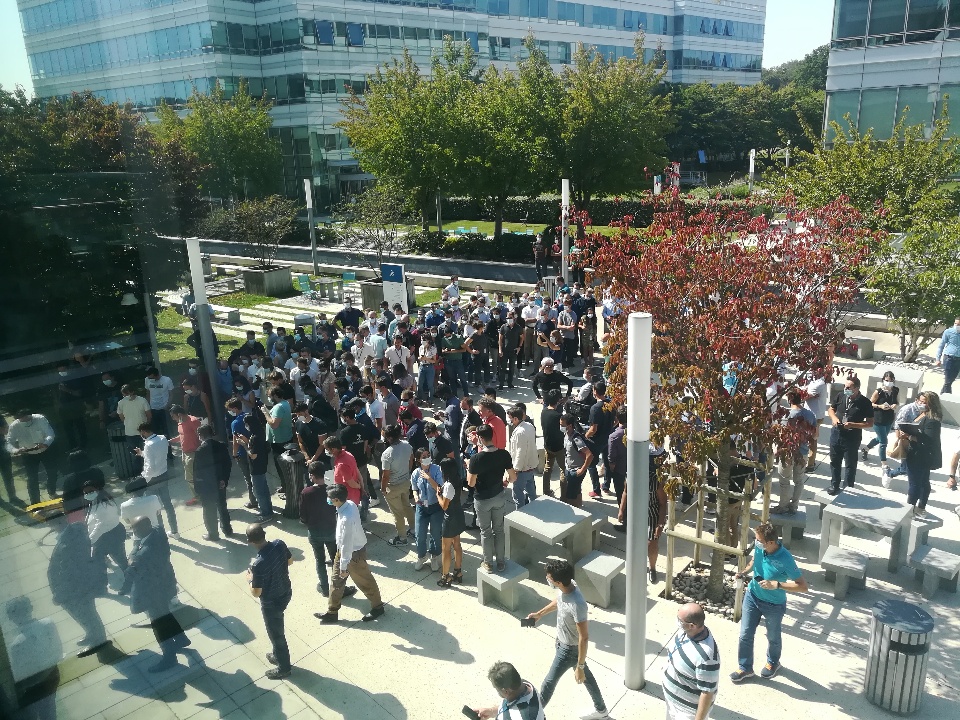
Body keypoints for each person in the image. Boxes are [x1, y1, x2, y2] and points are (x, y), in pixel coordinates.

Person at [525, 558, 609, 720]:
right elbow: (559, 601)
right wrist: (539, 614)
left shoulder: (577, 604)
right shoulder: (567, 587)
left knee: (548, 683)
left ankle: (532, 716)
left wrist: (580, 666)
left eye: (549, 578)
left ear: (558, 582)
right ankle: (601, 710)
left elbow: (584, 637)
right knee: (588, 679)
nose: (547, 579)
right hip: (561, 643)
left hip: (568, 650)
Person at [731, 522, 808, 683]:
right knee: (745, 634)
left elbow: (802, 586)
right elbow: (754, 561)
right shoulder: (761, 548)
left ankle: (773, 663)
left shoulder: (786, 559)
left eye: (759, 540)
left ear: (771, 542)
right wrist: (743, 572)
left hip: (774, 605)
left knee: (773, 637)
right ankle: (745, 668)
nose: (756, 542)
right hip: (752, 597)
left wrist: (777, 585)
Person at [119, 516, 188, 673]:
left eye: (135, 529)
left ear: (144, 528)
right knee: (165, 614)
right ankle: (181, 639)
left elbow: (131, 570)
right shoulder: (158, 532)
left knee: (159, 625)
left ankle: (169, 658)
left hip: (151, 592)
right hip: (164, 585)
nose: (134, 532)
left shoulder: (143, 554)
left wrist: (132, 557)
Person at [316, 484, 386, 623]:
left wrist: (343, 567)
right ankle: (332, 612)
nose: (328, 500)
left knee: (365, 582)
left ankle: (378, 607)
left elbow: (346, 545)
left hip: (353, 556)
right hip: (345, 553)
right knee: (336, 582)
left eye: (329, 498)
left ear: (336, 500)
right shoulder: (350, 504)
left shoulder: (346, 520)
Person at [48, 518, 108, 658]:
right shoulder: (76, 531)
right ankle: (92, 635)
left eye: (50, 524)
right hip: (80, 586)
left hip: (75, 590)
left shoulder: (68, 543)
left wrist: (59, 593)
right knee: (88, 615)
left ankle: (98, 643)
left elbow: (70, 572)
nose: (49, 527)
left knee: (87, 616)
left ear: (56, 523)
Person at [246, 523, 293, 679]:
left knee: (277, 635)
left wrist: (250, 579)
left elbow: (256, 592)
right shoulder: (279, 544)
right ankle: (277, 655)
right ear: (264, 534)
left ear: (250, 541)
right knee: (277, 630)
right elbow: (290, 561)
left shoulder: (258, 564)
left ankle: (284, 668)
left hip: (271, 603)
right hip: (285, 592)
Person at [301, 461, 355, 598]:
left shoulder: (306, 493)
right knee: (336, 562)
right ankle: (340, 588)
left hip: (314, 532)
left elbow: (303, 515)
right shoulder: (330, 491)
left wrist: (308, 523)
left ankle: (325, 588)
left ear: (312, 476)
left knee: (319, 560)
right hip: (331, 532)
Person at [468, 424, 516, 573]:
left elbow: (471, 483)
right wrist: (505, 481)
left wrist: (469, 467)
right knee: (499, 530)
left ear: (480, 438)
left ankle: (488, 563)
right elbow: (513, 477)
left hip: (482, 499)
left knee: (486, 532)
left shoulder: (476, 459)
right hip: (498, 496)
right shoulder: (504, 454)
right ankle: (501, 562)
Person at [7, 596, 63, 720]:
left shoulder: (17, 644)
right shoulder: (49, 623)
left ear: (11, 618)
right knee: (49, 708)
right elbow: (58, 651)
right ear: (31, 608)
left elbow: (19, 674)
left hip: (33, 686)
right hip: (53, 674)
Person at [663, 603, 720, 720]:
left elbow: (707, 693)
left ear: (692, 626)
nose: (677, 621)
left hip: (686, 713)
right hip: (672, 702)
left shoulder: (707, 658)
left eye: (680, 620)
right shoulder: (685, 632)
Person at [898, 390, 943, 516]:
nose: (920, 403)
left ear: (931, 404)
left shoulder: (932, 420)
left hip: (920, 455)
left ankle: (910, 511)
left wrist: (909, 436)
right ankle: (920, 508)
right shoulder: (923, 414)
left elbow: (928, 439)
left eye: (924, 402)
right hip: (919, 454)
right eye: (920, 401)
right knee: (923, 482)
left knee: (915, 484)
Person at [129, 422, 179, 537]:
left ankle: (160, 533)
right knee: (168, 505)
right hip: (164, 474)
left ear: (144, 431)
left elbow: (150, 466)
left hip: (152, 479)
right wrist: (142, 453)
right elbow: (158, 455)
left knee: (154, 508)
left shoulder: (148, 445)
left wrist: (144, 478)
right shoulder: (163, 439)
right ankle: (175, 531)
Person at [826, 376, 873, 495]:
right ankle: (834, 484)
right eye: (845, 387)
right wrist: (834, 418)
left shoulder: (865, 402)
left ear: (856, 389)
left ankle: (847, 489)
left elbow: (869, 423)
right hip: (836, 434)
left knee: (850, 465)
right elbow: (831, 409)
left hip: (852, 437)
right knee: (835, 461)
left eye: (848, 387)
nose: (845, 389)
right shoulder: (840, 396)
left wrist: (853, 425)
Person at [774, 391, 817, 515]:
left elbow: (781, 436)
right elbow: (815, 435)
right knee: (799, 480)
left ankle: (783, 506)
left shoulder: (785, 415)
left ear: (789, 400)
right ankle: (794, 506)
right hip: (803, 451)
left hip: (787, 452)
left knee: (784, 480)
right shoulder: (810, 415)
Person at [6, 410, 58, 505]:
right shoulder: (14, 426)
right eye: (22, 420)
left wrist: (45, 443)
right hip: (28, 454)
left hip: (45, 450)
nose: (25, 421)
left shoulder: (40, 419)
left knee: (52, 472)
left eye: (26, 418)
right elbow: (8, 442)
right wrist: (15, 450)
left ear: (30, 415)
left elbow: (50, 434)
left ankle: (52, 491)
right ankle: (35, 503)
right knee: (32, 478)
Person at [83, 477, 128, 578]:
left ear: (97, 489)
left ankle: (131, 579)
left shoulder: (103, 505)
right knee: (99, 560)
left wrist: (89, 540)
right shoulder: (95, 501)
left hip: (111, 537)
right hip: (103, 537)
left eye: (91, 491)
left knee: (120, 560)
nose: (88, 494)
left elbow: (100, 526)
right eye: (86, 493)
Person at [194, 425, 234, 540]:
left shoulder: (200, 450)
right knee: (222, 507)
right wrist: (224, 479)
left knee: (209, 510)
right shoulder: (221, 446)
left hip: (208, 486)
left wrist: (198, 488)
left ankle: (213, 534)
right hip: (221, 483)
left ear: (200, 435)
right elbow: (227, 464)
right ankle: (227, 529)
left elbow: (198, 472)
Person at [380, 424, 417, 546]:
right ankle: (413, 529)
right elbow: (411, 460)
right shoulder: (407, 445)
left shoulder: (387, 454)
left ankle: (402, 538)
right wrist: (407, 472)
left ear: (389, 438)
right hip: (405, 482)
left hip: (393, 486)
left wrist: (383, 489)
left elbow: (385, 476)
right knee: (407, 505)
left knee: (397, 513)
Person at [474, 660, 545, 720]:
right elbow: (512, 706)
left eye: (497, 689)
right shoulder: (525, 686)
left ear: (506, 691)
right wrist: (492, 711)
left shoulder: (514, 717)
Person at [411, 448, 444, 571]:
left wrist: (429, 478)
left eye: (428, 455)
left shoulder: (437, 469)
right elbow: (414, 488)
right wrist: (415, 496)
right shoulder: (415, 473)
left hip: (435, 506)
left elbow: (440, 488)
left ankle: (434, 556)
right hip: (422, 507)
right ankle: (422, 556)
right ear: (418, 460)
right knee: (419, 534)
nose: (427, 458)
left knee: (435, 534)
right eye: (423, 456)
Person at [861, 371, 899, 475]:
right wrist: (880, 406)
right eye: (887, 380)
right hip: (878, 419)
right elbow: (870, 403)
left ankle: (866, 448)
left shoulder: (895, 390)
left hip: (889, 419)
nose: (889, 382)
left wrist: (895, 405)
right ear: (883, 380)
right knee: (883, 442)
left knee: (880, 438)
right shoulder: (878, 392)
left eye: (891, 380)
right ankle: (884, 463)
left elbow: (896, 401)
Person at [435, 457, 466, 588]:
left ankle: (445, 576)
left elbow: (444, 506)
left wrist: (438, 495)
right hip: (459, 513)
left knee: (446, 548)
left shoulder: (448, 485)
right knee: (457, 544)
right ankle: (458, 571)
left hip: (450, 517)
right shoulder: (457, 479)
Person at [168, 405, 202, 505]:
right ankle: (198, 496)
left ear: (179, 414)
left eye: (173, 416)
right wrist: (170, 441)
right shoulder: (180, 422)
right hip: (185, 453)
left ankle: (198, 497)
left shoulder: (193, 421)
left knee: (191, 477)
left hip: (193, 453)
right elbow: (182, 435)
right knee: (190, 477)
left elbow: (201, 436)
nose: (173, 419)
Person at [507, 406, 538, 510]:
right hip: (530, 466)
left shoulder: (520, 432)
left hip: (522, 469)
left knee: (518, 494)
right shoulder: (529, 426)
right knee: (531, 492)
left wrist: (516, 470)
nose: (510, 421)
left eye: (510, 418)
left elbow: (520, 453)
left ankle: (520, 512)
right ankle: (535, 509)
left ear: (516, 418)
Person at [561, 413, 593, 508]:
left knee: (570, 497)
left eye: (562, 425)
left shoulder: (576, 439)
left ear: (570, 426)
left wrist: (582, 470)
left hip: (575, 472)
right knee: (577, 491)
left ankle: (575, 511)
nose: (561, 427)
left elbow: (589, 455)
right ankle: (579, 506)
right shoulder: (566, 434)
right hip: (569, 469)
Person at [801, 365, 829, 471]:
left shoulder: (820, 383)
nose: (812, 372)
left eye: (814, 370)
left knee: (812, 440)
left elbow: (804, 396)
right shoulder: (814, 381)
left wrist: (802, 393)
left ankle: (810, 464)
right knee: (809, 439)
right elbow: (803, 390)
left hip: (815, 416)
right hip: (810, 414)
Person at [540, 390, 566, 498]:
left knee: (547, 468)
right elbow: (564, 431)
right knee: (563, 470)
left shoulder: (544, 412)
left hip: (548, 445)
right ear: (558, 401)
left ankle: (546, 491)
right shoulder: (558, 416)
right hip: (559, 447)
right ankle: (564, 496)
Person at [607, 407, 627, 506]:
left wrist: (612, 468)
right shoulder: (637, 432)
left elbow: (611, 458)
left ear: (617, 418)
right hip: (634, 468)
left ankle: (623, 511)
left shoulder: (614, 436)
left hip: (619, 470)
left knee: (620, 492)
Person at [934, 316, 960, 393]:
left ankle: (942, 396)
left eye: (959, 324)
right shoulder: (948, 332)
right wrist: (938, 359)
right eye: (955, 323)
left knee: (950, 380)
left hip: (958, 360)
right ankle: (948, 397)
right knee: (948, 381)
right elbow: (941, 346)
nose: (957, 326)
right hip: (949, 359)